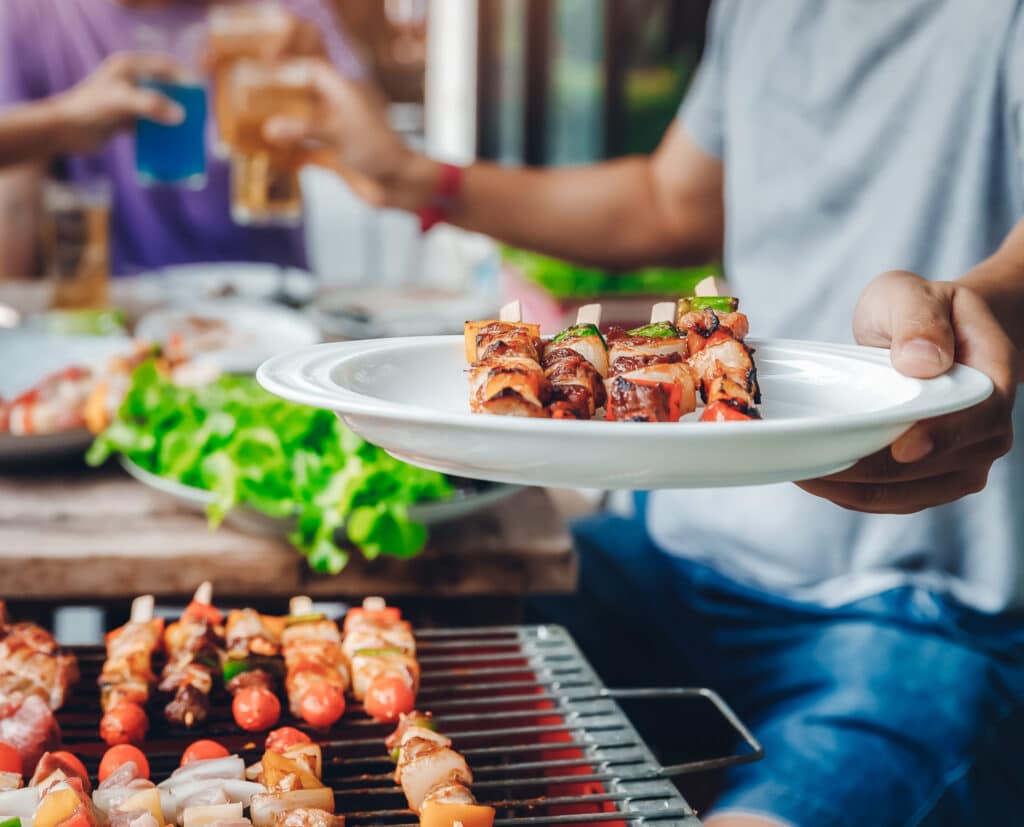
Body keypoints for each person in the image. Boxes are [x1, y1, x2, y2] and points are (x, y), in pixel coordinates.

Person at [260, 2, 1024, 825]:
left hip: (913, 604)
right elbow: (670, 200)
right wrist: (415, 178)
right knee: (393, 668)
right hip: (677, 548)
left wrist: (981, 304)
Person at [0, 0, 365, 278]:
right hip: (120, 312)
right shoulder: (29, 13)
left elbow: (377, 149)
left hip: (271, 302)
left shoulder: (276, 14)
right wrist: (62, 121)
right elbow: (13, 212)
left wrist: (316, 75)